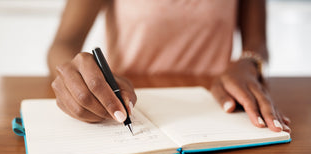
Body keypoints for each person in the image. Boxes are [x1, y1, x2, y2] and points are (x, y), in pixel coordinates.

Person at [47, 0, 291, 133]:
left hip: (217, 106)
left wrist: (249, 61)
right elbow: (63, 43)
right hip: (130, 100)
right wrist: (74, 76)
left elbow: (258, 45)